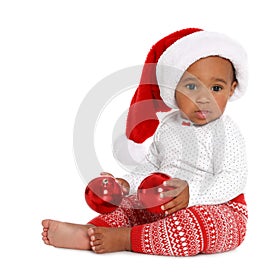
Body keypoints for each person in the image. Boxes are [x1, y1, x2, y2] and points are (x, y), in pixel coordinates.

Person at [42, 27, 248, 256]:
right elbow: (151, 166)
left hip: (219, 208)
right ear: (173, 89)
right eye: (191, 86)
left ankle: (126, 239)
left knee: (193, 225)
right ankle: (91, 231)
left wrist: (193, 196)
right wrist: (127, 185)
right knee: (130, 208)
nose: (203, 98)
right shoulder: (168, 127)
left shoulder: (225, 132)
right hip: (164, 204)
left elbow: (234, 178)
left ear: (231, 90)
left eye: (216, 88)